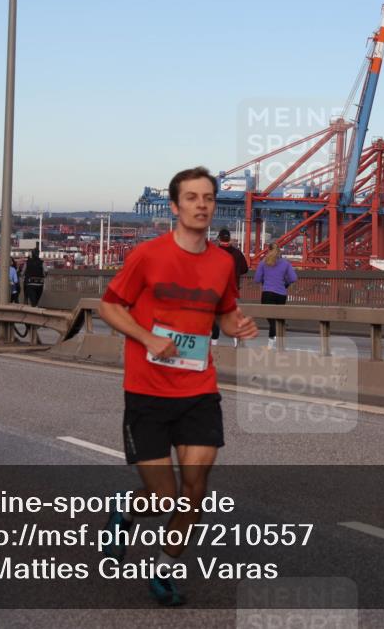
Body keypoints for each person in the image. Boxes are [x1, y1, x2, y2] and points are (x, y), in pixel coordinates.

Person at [97, 167, 257, 606]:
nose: (202, 205)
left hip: (198, 390)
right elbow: (109, 307)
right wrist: (148, 338)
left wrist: (237, 324)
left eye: (208, 197)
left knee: (195, 488)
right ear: (174, 206)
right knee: (164, 497)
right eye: (191, 197)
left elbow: (223, 311)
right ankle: (126, 511)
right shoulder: (147, 256)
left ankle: (164, 570)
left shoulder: (223, 262)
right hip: (147, 390)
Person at [253, 243, 298, 349]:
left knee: (271, 319)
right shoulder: (286, 263)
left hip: (267, 293)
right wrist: (284, 282)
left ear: (268, 250)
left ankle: (271, 344)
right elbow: (293, 278)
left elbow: (257, 279)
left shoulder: (263, 263)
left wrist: (266, 279)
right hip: (281, 294)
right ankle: (276, 339)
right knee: (277, 318)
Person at [210, 228, 249, 346]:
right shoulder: (237, 253)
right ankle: (236, 342)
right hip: (233, 289)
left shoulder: (214, 252)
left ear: (219, 239)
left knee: (215, 316)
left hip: (216, 289)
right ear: (229, 239)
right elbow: (245, 269)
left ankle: (214, 344)